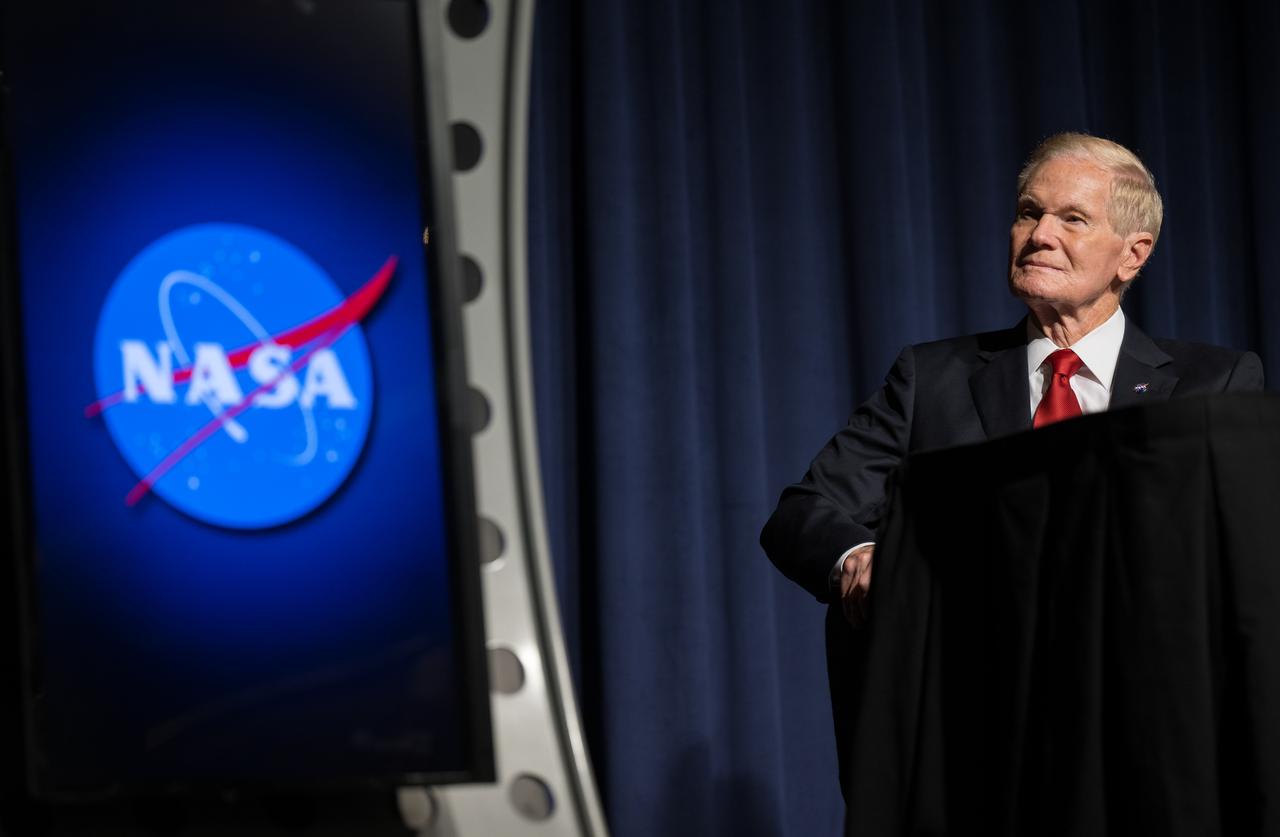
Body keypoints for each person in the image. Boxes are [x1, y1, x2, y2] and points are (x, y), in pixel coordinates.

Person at [759, 132, 1265, 793]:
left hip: (1143, 743)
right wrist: (858, 554)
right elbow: (802, 513)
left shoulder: (1213, 383)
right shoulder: (931, 378)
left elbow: (1240, 564)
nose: (1038, 234)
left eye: (1072, 218)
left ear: (1132, 254)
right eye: (1029, 211)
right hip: (970, 746)